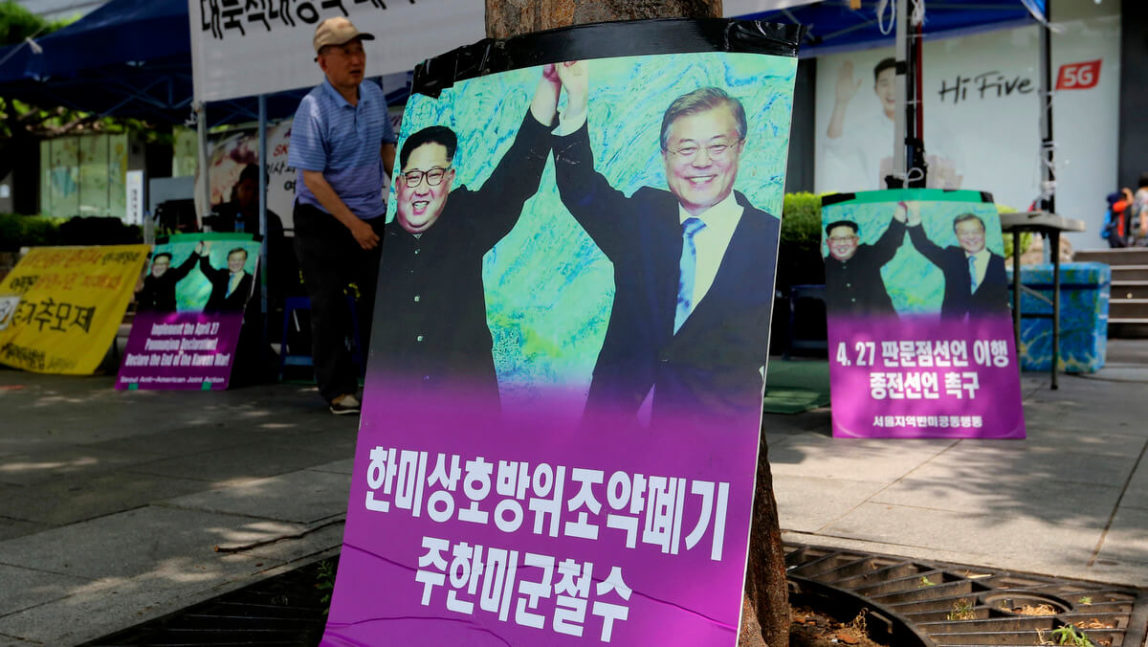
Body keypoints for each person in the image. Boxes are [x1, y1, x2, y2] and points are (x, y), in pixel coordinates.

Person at [551, 61, 778, 430]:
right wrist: (576, 100)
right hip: (612, 433)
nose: (701, 162)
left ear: (740, 148)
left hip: (711, 442)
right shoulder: (642, 216)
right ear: (664, 157)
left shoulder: (769, 239)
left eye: (717, 146)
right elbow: (580, 189)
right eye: (685, 149)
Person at [374, 69, 559, 410]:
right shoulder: (382, 244)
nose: (422, 187)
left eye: (434, 175)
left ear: (449, 179)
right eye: (414, 176)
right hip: (399, 412)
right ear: (399, 184)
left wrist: (548, 91)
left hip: (466, 405)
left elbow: (513, 180)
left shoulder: (464, 220)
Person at [288, 16, 397, 415]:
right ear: (322, 62)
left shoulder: (373, 96)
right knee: (328, 305)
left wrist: (406, 190)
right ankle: (337, 390)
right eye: (346, 52)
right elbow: (312, 179)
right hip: (323, 219)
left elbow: (388, 150)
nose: (356, 59)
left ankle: (384, 384)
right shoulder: (312, 108)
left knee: (381, 302)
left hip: (369, 213)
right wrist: (353, 226)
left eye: (360, 50)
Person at [823, 58, 961, 190]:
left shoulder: (932, 126)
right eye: (884, 83)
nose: (891, 91)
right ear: (875, 89)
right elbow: (834, 146)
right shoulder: (866, 130)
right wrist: (841, 103)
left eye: (898, 83)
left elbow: (958, 168)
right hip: (883, 208)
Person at [906, 206, 1007, 318]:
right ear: (956, 235)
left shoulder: (999, 263)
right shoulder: (952, 257)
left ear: (984, 232)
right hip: (951, 332)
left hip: (988, 333)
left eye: (975, 231)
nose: (971, 237)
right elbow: (922, 244)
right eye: (964, 233)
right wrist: (914, 213)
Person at [823, 204, 908, 317]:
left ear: (856, 240)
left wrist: (901, 210)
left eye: (847, 238)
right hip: (844, 332)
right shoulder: (825, 266)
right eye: (836, 239)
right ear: (828, 243)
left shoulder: (868, 255)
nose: (842, 243)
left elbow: (890, 241)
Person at [136, 248, 199, 312]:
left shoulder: (171, 275)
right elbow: (141, 296)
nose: (159, 267)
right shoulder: (147, 279)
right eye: (157, 263)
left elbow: (187, 266)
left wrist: (197, 251)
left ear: (168, 266)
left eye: (163, 264)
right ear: (153, 265)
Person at [198, 244, 254, 313]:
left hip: (233, 321)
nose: (235, 263)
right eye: (232, 259)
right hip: (209, 320)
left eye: (240, 260)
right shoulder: (221, 274)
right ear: (228, 261)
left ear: (245, 261)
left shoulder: (251, 280)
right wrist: (206, 247)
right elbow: (205, 267)